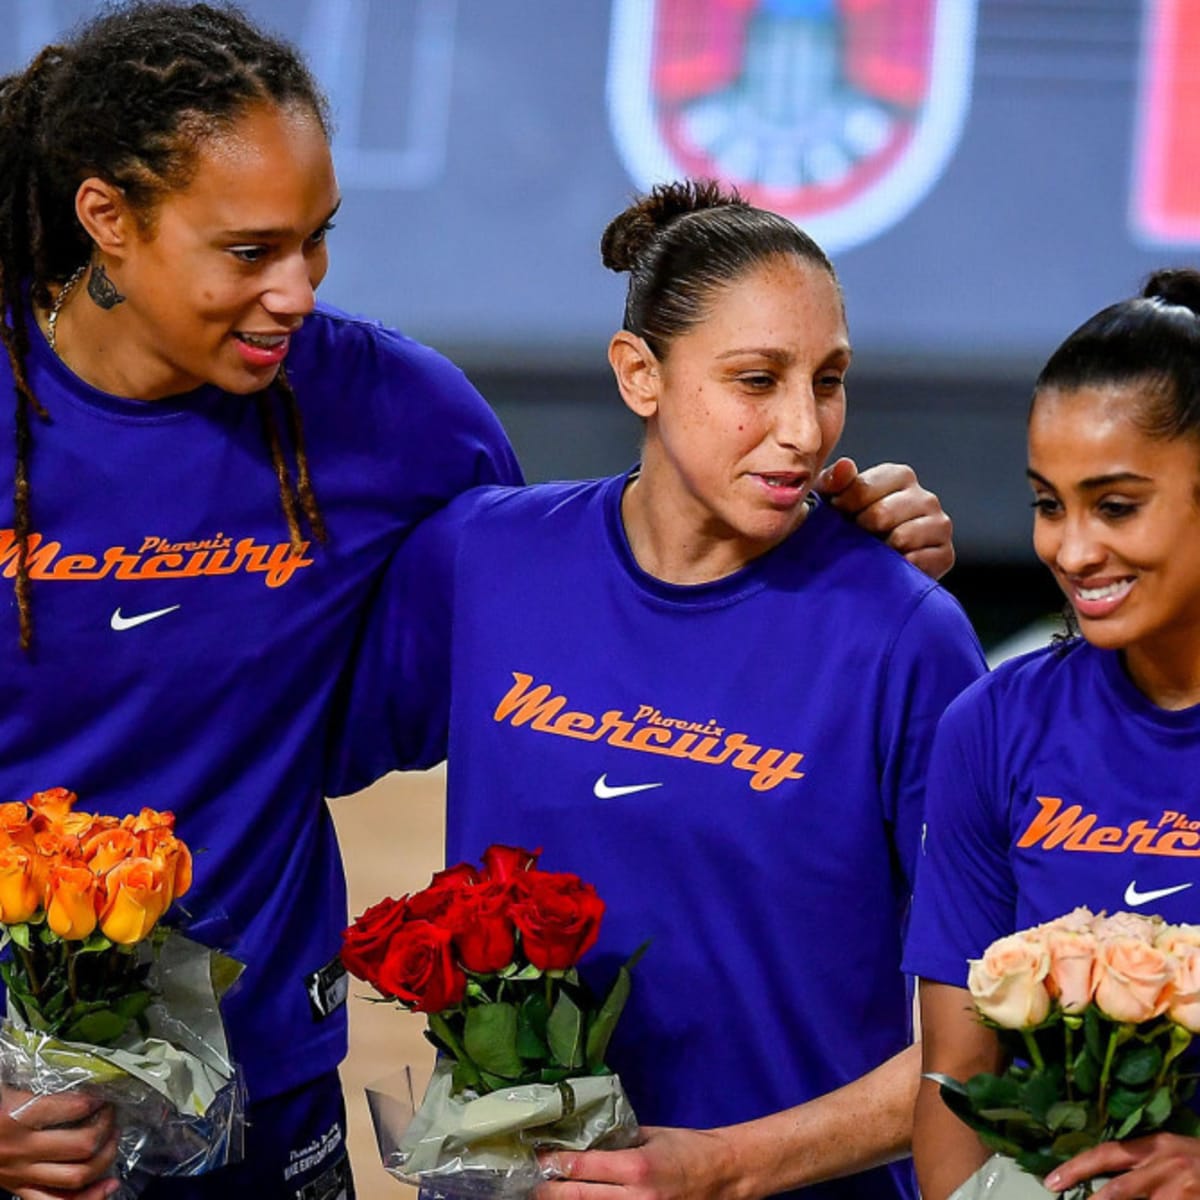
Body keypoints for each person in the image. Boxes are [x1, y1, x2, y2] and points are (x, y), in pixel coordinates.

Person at [0, 6, 956, 1199]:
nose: (296, 292)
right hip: (22, 1116)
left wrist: (831, 574)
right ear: (108, 220)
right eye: (249, 252)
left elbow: (599, 619)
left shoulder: (400, 418)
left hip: (271, 1075)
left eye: (318, 240)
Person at [331, 179, 986, 1200]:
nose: (804, 429)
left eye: (829, 379)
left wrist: (720, 1171)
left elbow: (992, 1033)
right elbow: (288, 747)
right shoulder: (483, 560)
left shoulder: (905, 634)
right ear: (639, 373)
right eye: (757, 379)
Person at [903, 268, 1200, 1200]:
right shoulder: (991, 728)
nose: (1072, 550)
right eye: (1047, 503)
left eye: (1115, 506)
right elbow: (955, 1081)